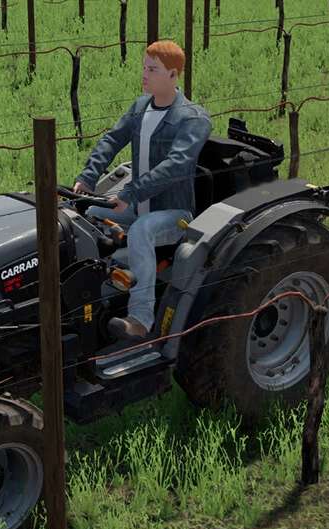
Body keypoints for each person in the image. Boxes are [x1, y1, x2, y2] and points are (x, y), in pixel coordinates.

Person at [73, 40, 212, 342]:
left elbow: (175, 166)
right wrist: (88, 177)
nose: (144, 74)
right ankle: (93, 289)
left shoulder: (193, 118)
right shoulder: (140, 107)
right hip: (138, 206)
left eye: (153, 69)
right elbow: (112, 140)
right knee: (88, 215)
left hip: (175, 214)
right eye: (144, 68)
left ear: (173, 75)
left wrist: (129, 194)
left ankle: (140, 319)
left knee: (142, 230)